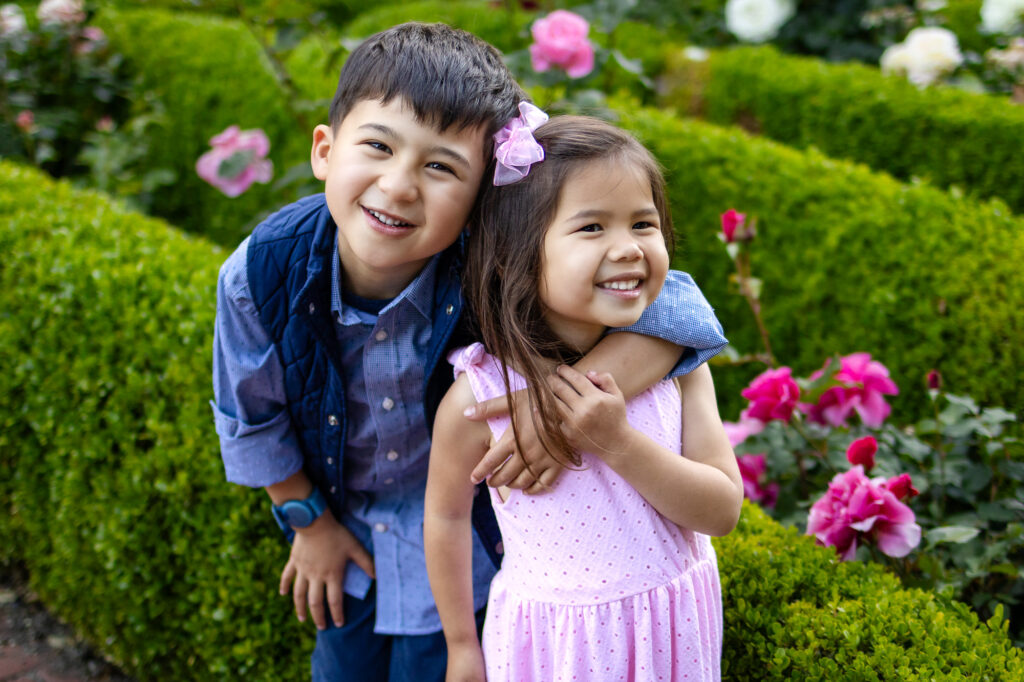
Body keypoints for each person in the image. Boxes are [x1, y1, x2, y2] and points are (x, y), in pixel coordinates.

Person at [211, 22, 727, 682]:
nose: (399, 186)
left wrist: (560, 413)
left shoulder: (493, 268)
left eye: (439, 167)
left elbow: (677, 310)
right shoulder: (260, 273)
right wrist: (307, 522)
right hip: (345, 529)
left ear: (484, 197)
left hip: (470, 548)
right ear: (324, 149)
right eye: (377, 146)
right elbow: (251, 417)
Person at [425, 113, 744, 682]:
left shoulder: (677, 366)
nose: (628, 248)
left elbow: (721, 511)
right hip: (551, 647)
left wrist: (619, 444)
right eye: (592, 228)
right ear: (519, 255)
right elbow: (446, 515)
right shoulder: (480, 398)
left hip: (670, 630)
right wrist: (461, 647)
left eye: (643, 224)